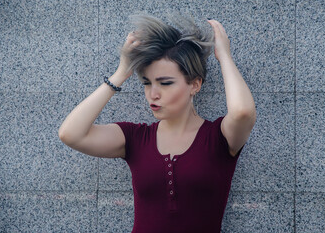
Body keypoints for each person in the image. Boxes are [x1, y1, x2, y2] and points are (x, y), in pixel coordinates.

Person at [58, 13, 256, 233]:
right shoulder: (134, 138)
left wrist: (225, 57)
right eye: (146, 83)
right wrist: (121, 73)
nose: (153, 94)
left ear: (195, 84)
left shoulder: (219, 137)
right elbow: (71, 134)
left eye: (165, 83)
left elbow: (242, 112)